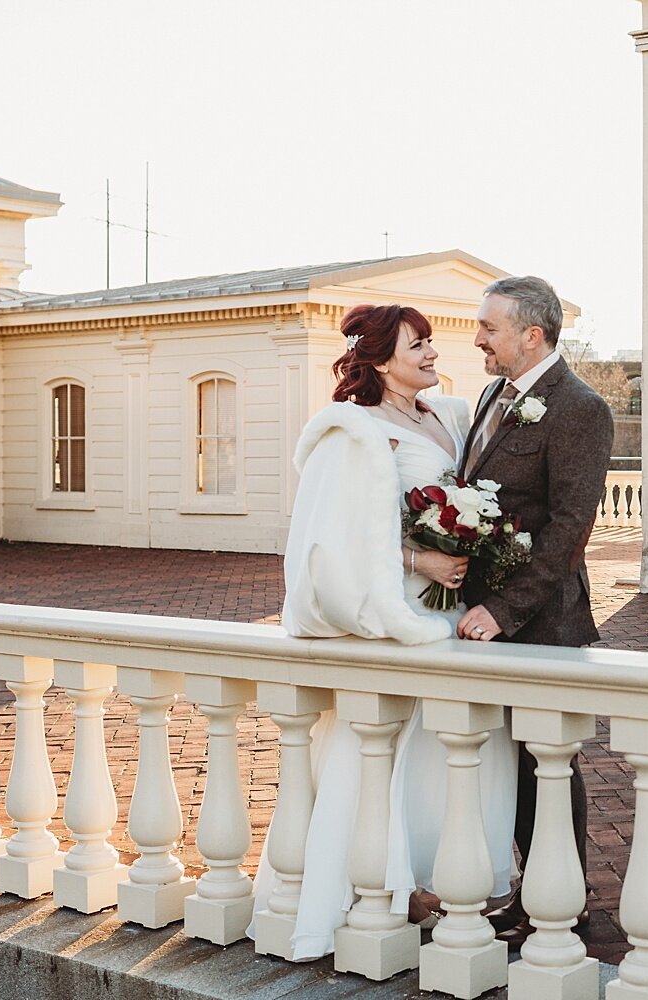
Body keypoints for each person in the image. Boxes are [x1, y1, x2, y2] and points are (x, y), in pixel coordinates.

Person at [251, 303, 519, 961]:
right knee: (378, 750)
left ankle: (438, 878)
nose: (433, 354)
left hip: (451, 618)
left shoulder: (450, 416)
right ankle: (381, 887)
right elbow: (333, 533)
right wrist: (418, 557)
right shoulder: (352, 430)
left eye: (430, 342)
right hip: (395, 616)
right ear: (377, 360)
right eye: (418, 345)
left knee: (447, 751)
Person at [454, 276, 615, 944]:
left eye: (489, 328)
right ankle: (529, 891)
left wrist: (502, 609)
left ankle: (566, 900)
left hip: (541, 623)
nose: (478, 339)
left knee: (547, 763)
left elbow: (570, 528)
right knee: (509, 765)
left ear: (533, 334)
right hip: (482, 621)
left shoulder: (581, 408)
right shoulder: (494, 393)